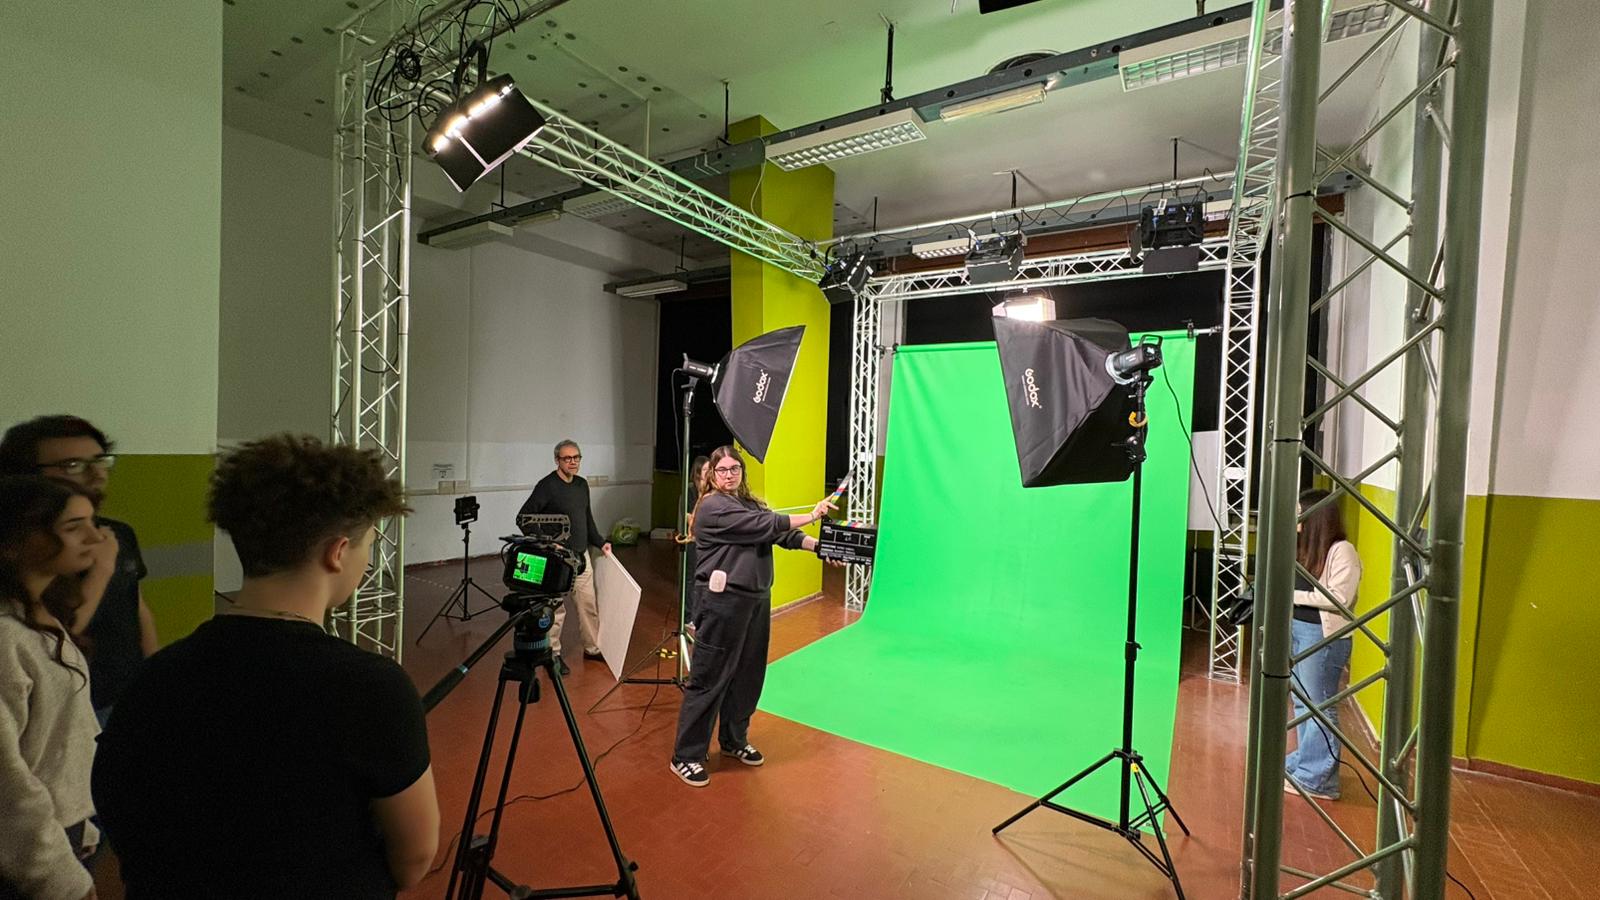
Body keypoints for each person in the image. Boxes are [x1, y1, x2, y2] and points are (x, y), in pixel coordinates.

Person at [92, 435, 439, 898]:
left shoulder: (155, 676)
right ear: (337, 553)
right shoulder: (373, 688)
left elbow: (122, 818)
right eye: (369, 545)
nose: (369, 559)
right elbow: (414, 858)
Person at [669, 445, 836, 788]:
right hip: (722, 603)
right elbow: (766, 523)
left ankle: (733, 740)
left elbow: (782, 533)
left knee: (748, 676)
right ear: (712, 475)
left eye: (735, 469)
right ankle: (685, 756)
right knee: (709, 677)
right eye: (722, 470)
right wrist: (812, 515)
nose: (729, 475)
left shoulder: (750, 503)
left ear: (742, 472)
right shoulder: (712, 506)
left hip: (756, 600)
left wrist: (820, 547)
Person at [0, 415, 154, 724]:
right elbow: (47, 635)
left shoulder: (115, 533)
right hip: (71, 698)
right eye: (73, 465)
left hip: (128, 690)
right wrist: (102, 570)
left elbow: (135, 604)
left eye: (100, 460)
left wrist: (155, 673)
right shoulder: (32, 549)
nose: (96, 474)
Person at [0, 476, 107, 900]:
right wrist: (60, 880)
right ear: (14, 543)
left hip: (67, 833)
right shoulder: (6, 636)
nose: (95, 538)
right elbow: (8, 779)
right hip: (32, 855)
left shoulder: (38, 613)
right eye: (73, 526)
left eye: (92, 522)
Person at [1284, 488, 1362, 801]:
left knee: (1320, 704)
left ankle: (1320, 780)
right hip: (1299, 629)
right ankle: (1307, 763)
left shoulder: (1343, 551)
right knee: (1303, 702)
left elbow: (1339, 598)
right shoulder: (1305, 548)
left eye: (1300, 513)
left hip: (1324, 636)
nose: (1296, 520)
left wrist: (1291, 595)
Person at [517, 439, 610, 674]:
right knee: (556, 611)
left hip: (581, 557)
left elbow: (587, 518)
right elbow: (523, 518)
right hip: (557, 561)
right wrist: (548, 543)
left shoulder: (581, 485)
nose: (573, 462)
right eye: (567, 458)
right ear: (557, 460)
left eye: (576, 457)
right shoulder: (547, 486)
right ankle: (553, 656)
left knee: (588, 605)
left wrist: (600, 542)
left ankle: (592, 648)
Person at [682, 455, 710, 626]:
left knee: (704, 579)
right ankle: (688, 616)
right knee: (690, 579)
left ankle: (701, 613)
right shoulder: (689, 491)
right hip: (692, 542)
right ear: (698, 471)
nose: (709, 472)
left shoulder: (711, 491)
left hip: (707, 542)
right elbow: (688, 518)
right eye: (706, 469)